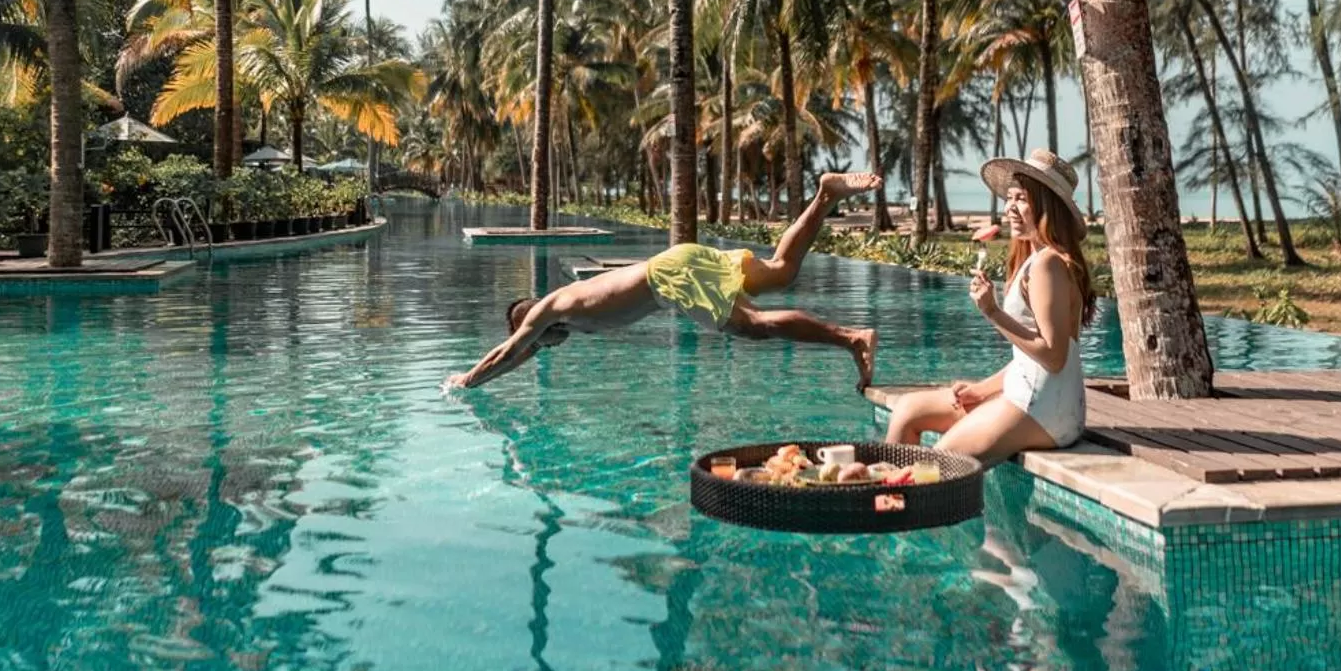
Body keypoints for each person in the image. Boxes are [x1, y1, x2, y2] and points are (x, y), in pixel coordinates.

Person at [444, 172, 882, 391]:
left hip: (671, 276)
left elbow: (510, 349)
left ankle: (851, 339)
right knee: (783, 268)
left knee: (755, 326)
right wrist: (486, 381)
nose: (535, 344)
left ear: (530, 318)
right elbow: (521, 355)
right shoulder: (565, 315)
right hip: (678, 261)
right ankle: (826, 193)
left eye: (532, 336)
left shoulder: (546, 309)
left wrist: (466, 379)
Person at [884, 149, 1096, 465]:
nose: (1010, 207)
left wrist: (992, 312)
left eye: (1021, 198)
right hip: (1035, 396)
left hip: (1045, 409)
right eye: (1010, 198)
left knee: (942, 461)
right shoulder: (1037, 260)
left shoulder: (1048, 264)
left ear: (1046, 205)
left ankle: (901, 502)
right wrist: (982, 391)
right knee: (908, 411)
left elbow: (1053, 356)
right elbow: (1030, 359)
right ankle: (892, 501)